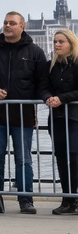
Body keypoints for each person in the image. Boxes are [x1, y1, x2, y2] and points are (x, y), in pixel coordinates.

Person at [0, 12, 49, 213]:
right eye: (5, 22)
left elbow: (42, 81)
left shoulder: (35, 52)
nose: (8, 26)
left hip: (23, 115)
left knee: (23, 158)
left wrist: (44, 98)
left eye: (12, 23)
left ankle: (26, 200)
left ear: (22, 26)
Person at [45, 29, 78, 215]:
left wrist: (62, 98)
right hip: (56, 118)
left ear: (71, 44)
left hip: (74, 118)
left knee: (74, 158)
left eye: (61, 42)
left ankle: (75, 199)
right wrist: (48, 97)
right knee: (61, 158)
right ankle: (67, 199)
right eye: (55, 41)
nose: (57, 45)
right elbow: (42, 86)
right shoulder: (50, 65)